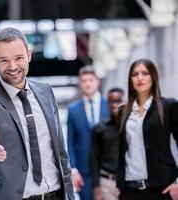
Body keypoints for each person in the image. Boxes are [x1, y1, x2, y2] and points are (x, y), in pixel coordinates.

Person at [0, 27, 74, 200]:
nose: (13, 66)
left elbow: (60, 152)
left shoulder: (45, 91)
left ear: (29, 55)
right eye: (4, 60)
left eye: (18, 58)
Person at [117, 58, 178, 200]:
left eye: (145, 73)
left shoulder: (168, 106)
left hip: (162, 188)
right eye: (135, 74)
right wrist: (119, 183)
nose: (140, 78)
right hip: (130, 189)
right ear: (130, 80)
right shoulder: (123, 111)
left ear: (153, 77)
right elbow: (122, 150)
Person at [67, 66, 109, 200]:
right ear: (80, 83)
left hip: (107, 170)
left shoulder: (109, 106)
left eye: (91, 80)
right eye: (84, 80)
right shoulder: (73, 110)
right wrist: (73, 170)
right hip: (84, 172)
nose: (88, 83)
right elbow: (70, 142)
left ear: (97, 82)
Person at [90, 88, 124, 200]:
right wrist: (96, 188)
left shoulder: (132, 126)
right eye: (111, 102)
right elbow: (93, 160)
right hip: (107, 184)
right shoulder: (99, 128)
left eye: (118, 101)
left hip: (128, 183)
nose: (114, 105)